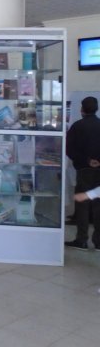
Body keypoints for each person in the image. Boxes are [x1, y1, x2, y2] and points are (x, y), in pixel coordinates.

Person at [64, 96, 100, 250]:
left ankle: (82, 240)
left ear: (82, 109)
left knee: (82, 205)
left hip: (84, 171)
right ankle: (98, 242)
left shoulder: (77, 126)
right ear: (96, 109)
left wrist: (87, 161)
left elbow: (69, 149)